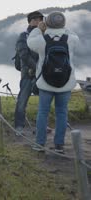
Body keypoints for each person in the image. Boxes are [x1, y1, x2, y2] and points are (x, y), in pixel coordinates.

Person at [27, 12, 79, 153]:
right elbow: (75, 36)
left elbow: (30, 41)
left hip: (45, 82)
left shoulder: (42, 40)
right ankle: (59, 146)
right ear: (63, 23)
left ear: (47, 23)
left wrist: (39, 28)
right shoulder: (71, 39)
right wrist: (64, 28)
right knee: (62, 113)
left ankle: (39, 144)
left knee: (43, 112)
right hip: (65, 82)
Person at [13, 11, 42, 135]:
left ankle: (42, 127)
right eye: (35, 19)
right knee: (22, 101)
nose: (37, 21)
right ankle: (19, 127)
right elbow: (23, 55)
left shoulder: (43, 35)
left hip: (41, 74)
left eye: (40, 19)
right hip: (28, 74)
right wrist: (36, 68)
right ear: (29, 21)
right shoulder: (23, 36)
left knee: (44, 102)